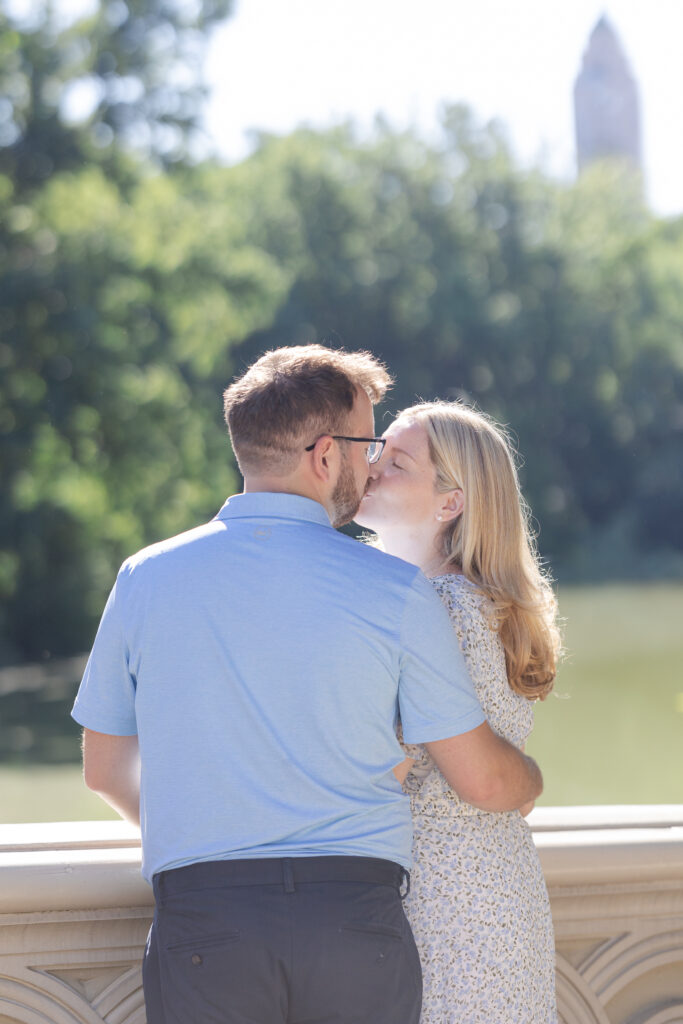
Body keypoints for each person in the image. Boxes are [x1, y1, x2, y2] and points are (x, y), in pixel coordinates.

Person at [72, 346, 543, 1024]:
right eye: (365, 443)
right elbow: (483, 777)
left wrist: (212, 835)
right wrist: (533, 779)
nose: (371, 461)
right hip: (353, 917)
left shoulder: (143, 577)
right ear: (325, 457)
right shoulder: (396, 591)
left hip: (204, 914)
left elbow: (104, 768)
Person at [355, 399, 560, 1024]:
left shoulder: (436, 607)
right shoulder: (480, 602)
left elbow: (380, 765)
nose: (370, 468)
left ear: (452, 502)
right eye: (375, 451)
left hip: (447, 911)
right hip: (493, 888)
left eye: (397, 462)